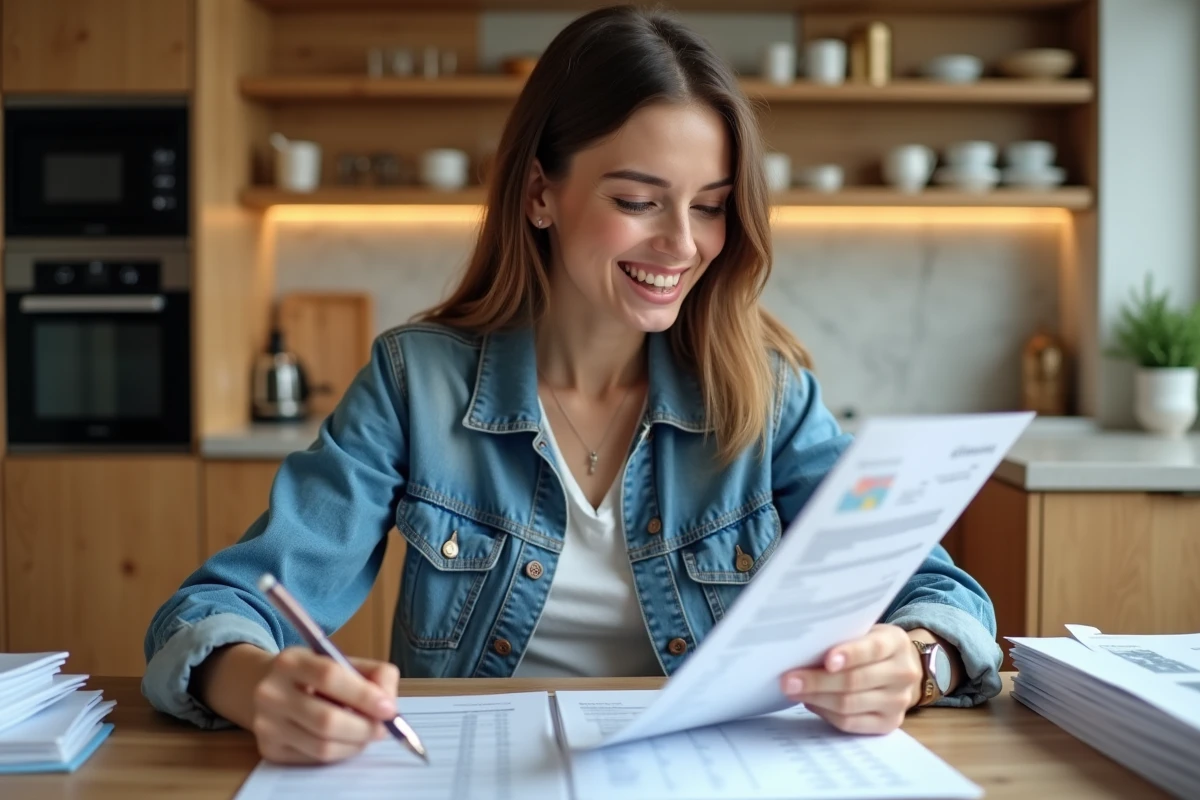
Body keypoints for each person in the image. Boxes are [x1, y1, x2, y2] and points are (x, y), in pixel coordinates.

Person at [143, 5, 1003, 766]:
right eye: (638, 201)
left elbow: (942, 597)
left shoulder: (767, 396)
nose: (682, 243)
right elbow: (217, 608)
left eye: (709, 205)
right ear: (539, 194)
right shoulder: (416, 384)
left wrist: (914, 661)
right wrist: (258, 686)